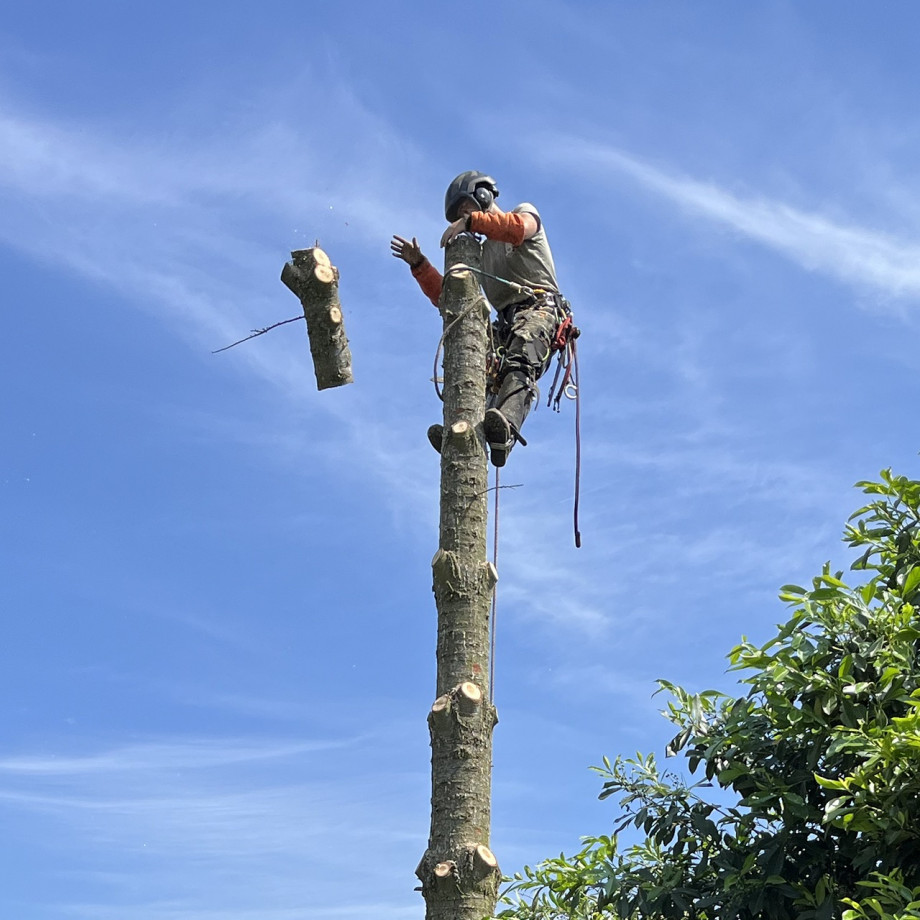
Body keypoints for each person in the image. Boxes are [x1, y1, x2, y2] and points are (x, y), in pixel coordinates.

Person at [391, 171, 565, 467]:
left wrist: (471, 222)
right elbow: (452, 300)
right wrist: (420, 266)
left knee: (520, 357)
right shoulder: (481, 256)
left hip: (539, 309)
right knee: (472, 362)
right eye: (459, 214)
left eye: (466, 207)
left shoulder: (524, 214)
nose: (463, 217)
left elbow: (517, 230)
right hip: (506, 321)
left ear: (483, 196)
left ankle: (506, 429)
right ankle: (460, 433)